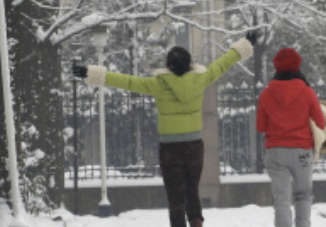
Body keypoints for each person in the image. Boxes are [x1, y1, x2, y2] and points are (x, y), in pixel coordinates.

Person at [73, 30, 258, 227]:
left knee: (175, 195)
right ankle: (196, 223)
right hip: (194, 146)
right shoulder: (201, 79)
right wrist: (245, 44)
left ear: (168, 65)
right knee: (192, 190)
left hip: (170, 148)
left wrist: (90, 73)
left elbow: (126, 81)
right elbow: (223, 63)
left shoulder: (158, 84)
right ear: (189, 64)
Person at [256, 47, 326, 227]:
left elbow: (260, 126)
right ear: (297, 66)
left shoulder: (266, 94)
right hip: (302, 151)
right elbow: (321, 122)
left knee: (282, 200)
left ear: (276, 67)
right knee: (303, 195)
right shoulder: (307, 92)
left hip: (276, 152)